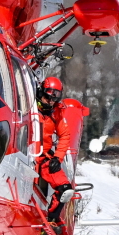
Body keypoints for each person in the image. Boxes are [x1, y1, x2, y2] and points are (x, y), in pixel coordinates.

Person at [35, 76, 87, 222]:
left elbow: (65, 135)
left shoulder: (56, 113)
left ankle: (51, 219)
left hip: (43, 156)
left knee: (66, 190)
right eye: (47, 98)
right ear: (41, 93)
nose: (50, 102)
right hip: (25, 155)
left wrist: (58, 158)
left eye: (54, 100)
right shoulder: (28, 107)